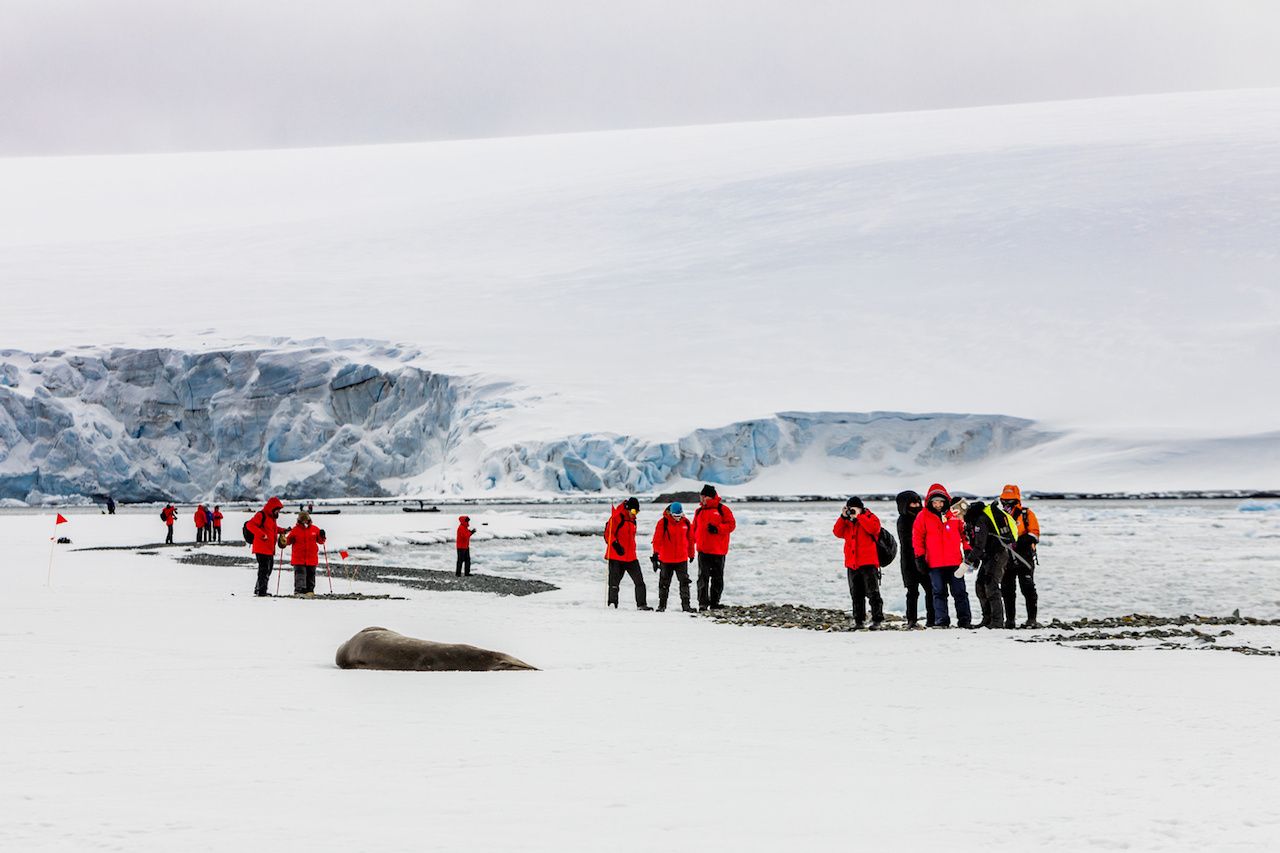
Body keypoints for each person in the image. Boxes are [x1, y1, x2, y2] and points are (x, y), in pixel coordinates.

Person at [911, 483, 973, 628]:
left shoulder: (955, 514)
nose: (938, 504)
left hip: (954, 562)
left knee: (960, 593)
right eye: (935, 502)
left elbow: (965, 534)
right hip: (934, 563)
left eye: (940, 501)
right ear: (930, 502)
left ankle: (964, 621)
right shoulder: (922, 516)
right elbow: (917, 538)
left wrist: (968, 549)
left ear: (945, 500)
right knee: (939, 593)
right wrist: (919, 557)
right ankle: (942, 621)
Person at [962, 500, 1018, 629]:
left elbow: (979, 546)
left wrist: (967, 562)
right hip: (989, 556)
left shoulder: (980, 520)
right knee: (980, 586)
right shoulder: (973, 520)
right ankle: (987, 619)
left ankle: (997, 621)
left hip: (997, 554)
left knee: (991, 586)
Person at [833, 497, 884, 629]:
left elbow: (874, 529)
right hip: (852, 563)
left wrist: (860, 516)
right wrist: (842, 517)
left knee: (873, 593)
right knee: (856, 594)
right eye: (850, 509)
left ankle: (877, 619)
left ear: (861, 508)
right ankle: (859, 620)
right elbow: (837, 532)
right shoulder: (847, 522)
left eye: (854, 508)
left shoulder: (870, 517)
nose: (852, 511)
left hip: (868, 563)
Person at [998, 484, 1041, 628]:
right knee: (1007, 589)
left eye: (1010, 501)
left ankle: (1032, 619)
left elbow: (1034, 534)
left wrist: (1017, 542)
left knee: (1027, 587)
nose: (1007, 504)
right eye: (1004, 500)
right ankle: (1010, 621)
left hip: (1025, 557)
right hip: (1006, 558)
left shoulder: (1026, 514)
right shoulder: (999, 516)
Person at [692, 484, 736, 611]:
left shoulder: (722, 509)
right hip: (703, 550)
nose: (701, 499)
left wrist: (717, 529)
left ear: (708, 497)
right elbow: (694, 529)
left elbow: (731, 525)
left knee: (717, 577)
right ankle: (703, 603)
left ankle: (715, 602)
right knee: (703, 577)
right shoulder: (699, 511)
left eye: (702, 496)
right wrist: (689, 544)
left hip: (718, 550)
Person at [603, 497, 652, 610]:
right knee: (614, 583)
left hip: (631, 557)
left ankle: (641, 605)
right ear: (627, 508)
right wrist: (615, 545)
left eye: (637, 512)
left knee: (639, 582)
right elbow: (608, 534)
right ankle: (612, 605)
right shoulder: (616, 518)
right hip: (617, 556)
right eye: (634, 511)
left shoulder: (633, 520)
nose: (635, 514)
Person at [895, 490, 933, 629]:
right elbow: (908, 542)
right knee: (912, 592)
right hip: (909, 562)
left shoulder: (925, 517)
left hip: (925, 559)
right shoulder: (903, 520)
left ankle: (932, 619)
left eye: (918, 502)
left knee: (930, 590)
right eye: (913, 502)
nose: (916, 505)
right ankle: (912, 620)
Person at [650, 502, 695, 612]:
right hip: (666, 559)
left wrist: (691, 554)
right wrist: (655, 555)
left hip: (681, 559)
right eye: (675, 516)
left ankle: (686, 606)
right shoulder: (663, 523)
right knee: (664, 583)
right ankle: (662, 606)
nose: (677, 518)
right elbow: (657, 540)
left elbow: (690, 540)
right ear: (670, 513)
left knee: (684, 582)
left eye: (679, 516)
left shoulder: (686, 523)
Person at [245, 496, 289, 597]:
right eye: (277, 510)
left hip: (269, 549)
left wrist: (283, 530)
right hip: (261, 548)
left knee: (268, 569)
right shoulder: (261, 515)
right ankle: (262, 591)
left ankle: (259, 588)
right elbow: (250, 525)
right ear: (272, 508)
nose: (278, 512)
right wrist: (261, 534)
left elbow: (273, 529)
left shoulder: (272, 518)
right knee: (264, 570)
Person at [285, 511, 326, 596]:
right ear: (299, 520)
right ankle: (299, 591)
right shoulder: (295, 530)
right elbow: (287, 541)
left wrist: (322, 535)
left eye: (306, 520)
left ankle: (310, 591)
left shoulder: (315, 529)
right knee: (300, 575)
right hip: (298, 558)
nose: (304, 521)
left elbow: (321, 541)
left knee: (311, 575)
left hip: (311, 558)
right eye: (302, 520)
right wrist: (283, 540)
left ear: (308, 519)